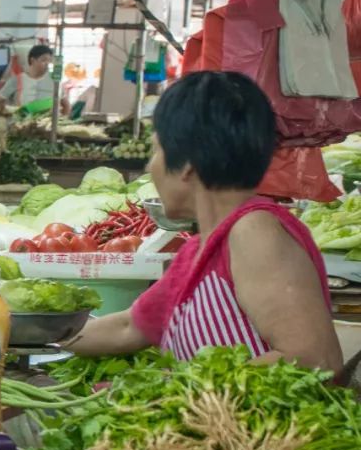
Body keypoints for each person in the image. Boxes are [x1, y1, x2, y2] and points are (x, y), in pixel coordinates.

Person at [65, 71, 344, 380]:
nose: (150, 166)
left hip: (252, 415)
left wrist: (179, 388)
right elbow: (128, 327)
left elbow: (313, 358)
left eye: (157, 150)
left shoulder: (253, 232)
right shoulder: (196, 253)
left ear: (187, 165)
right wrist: (41, 334)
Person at [0, 45, 69, 115]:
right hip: (22, 123)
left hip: (48, 122)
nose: (47, 63)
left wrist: (63, 120)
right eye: (44, 60)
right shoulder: (17, 80)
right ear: (32, 60)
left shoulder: (54, 80)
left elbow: (66, 105)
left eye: (49, 60)